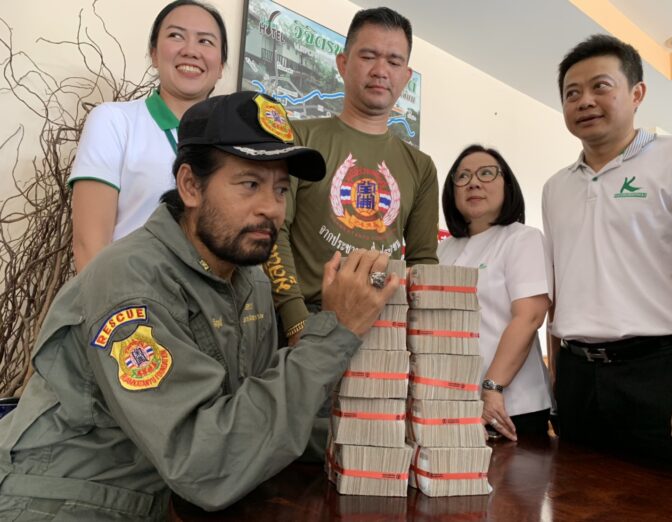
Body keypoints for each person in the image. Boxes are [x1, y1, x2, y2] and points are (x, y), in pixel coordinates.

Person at [0, 91, 401, 521]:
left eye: (281, 188)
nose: (272, 208)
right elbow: (207, 466)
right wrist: (335, 329)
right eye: (250, 184)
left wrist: (392, 434)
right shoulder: (132, 282)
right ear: (191, 186)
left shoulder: (249, 278)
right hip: (69, 497)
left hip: (163, 495)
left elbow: (257, 414)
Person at [543, 34, 672, 470]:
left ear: (637, 93)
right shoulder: (556, 187)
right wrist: (557, 376)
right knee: (576, 495)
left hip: (659, 372)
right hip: (577, 378)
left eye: (600, 87)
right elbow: (558, 292)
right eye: (572, 93)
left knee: (665, 501)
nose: (585, 101)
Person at [266, 7, 439, 346]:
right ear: (343, 64)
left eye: (393, 61)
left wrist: (419, 339)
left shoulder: (421, 166)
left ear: (406, 76)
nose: (380, 71)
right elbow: (273, 229)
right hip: (301, 325)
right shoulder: (296, 137)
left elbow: (422, 263)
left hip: (383, 332)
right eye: (368, 56)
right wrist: (296, 322)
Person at [69, 0, 227, 272]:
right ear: (154, 54)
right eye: (176, 36)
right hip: (132, 303)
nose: (190, 50)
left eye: (205, 41)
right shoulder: (114, 122)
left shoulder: (231, 142)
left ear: (221, 64)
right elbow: (89, 248)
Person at [438, 145, 553, 441]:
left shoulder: (522, 239)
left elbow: (529, 317)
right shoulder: (443, 249)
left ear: (507, 185)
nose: (473, 182)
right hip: (452, 403)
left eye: (486, 173)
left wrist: (492, 387)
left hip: (508, 406)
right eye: (462, 177)